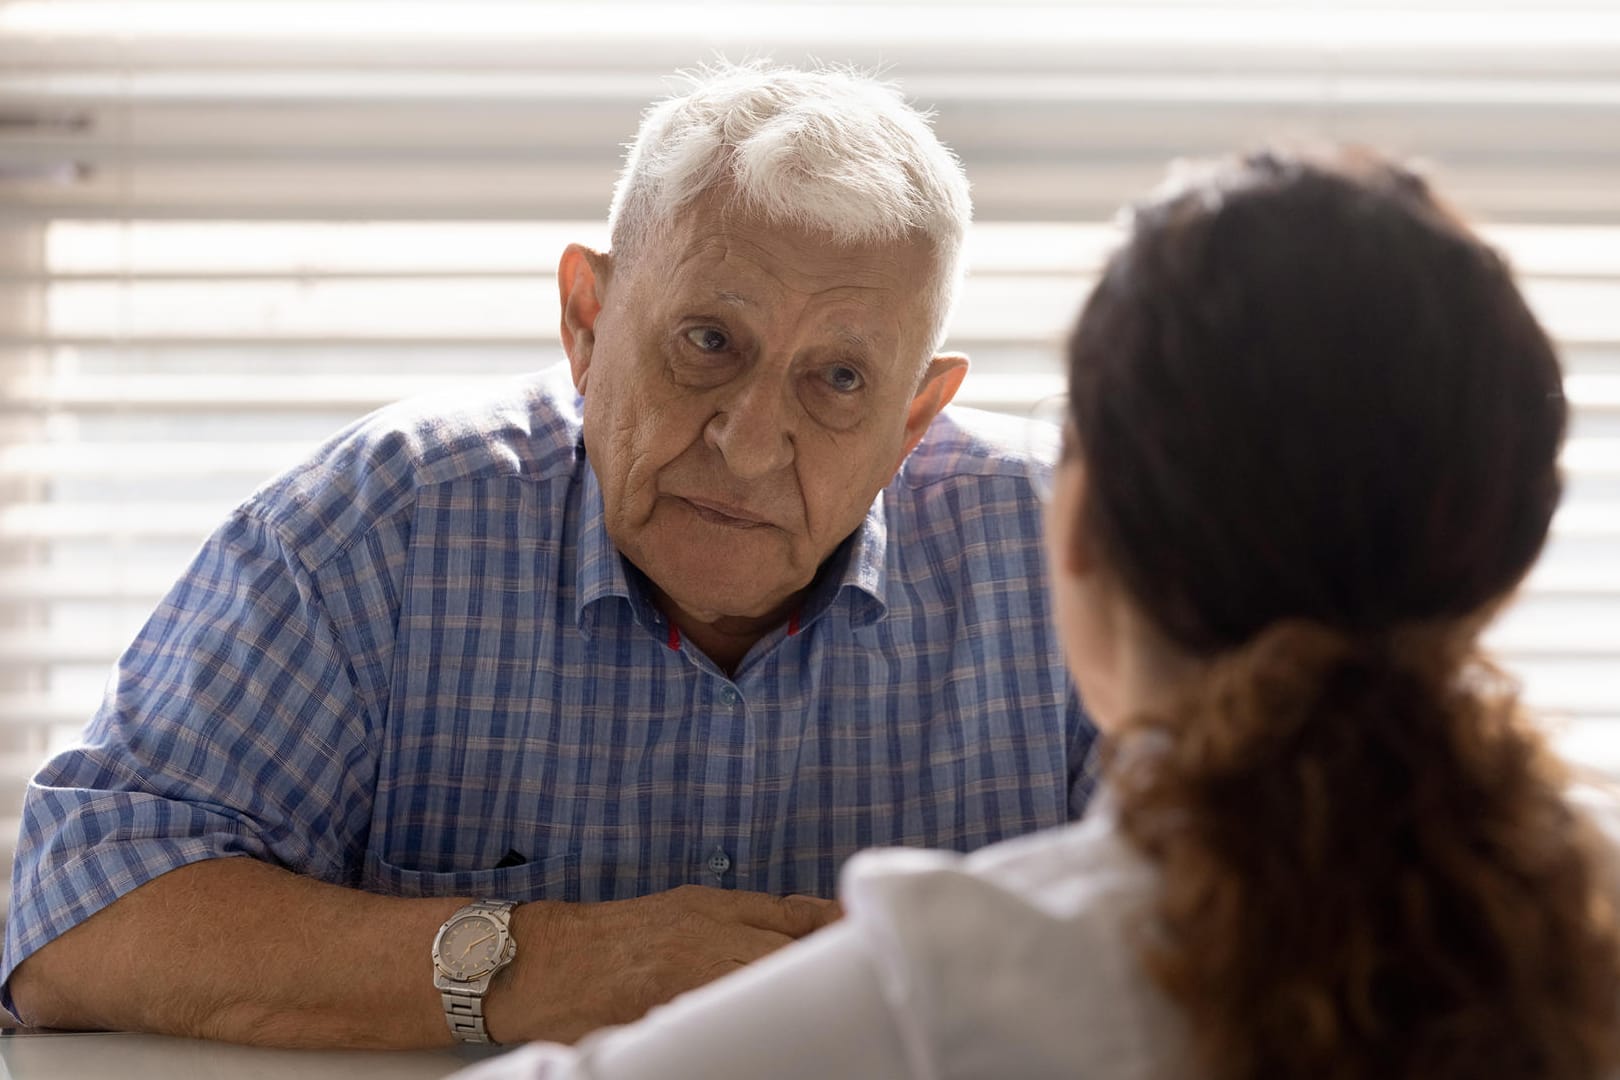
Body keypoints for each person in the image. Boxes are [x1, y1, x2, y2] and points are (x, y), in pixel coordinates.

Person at [448, 147, 1620, 1080]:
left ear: (1081, 527)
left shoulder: (968, 989)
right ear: (1502, 572)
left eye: (840, 378)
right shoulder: (1581, 933)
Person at [1, 63, 1096, 1048]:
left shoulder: (1080, 556)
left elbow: (1239, 921)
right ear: (587, 319)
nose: (751, 443)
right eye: (708, 343)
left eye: (840, 380)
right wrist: (531, 963)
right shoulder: (382, 525)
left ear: (915, 415)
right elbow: (72, 916)